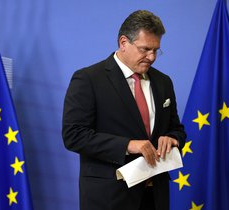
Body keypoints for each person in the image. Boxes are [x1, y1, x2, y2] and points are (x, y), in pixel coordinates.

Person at [62, 10, 186, 210]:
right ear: (123, 42)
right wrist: (128, 145)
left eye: (156, 50)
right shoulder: (88, 79)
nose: (152, 57)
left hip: (155, 196)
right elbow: (73, 135)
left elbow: (176, 128)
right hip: (110, 197)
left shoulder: (163, 82)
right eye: (145, 49)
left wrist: (173, 138)